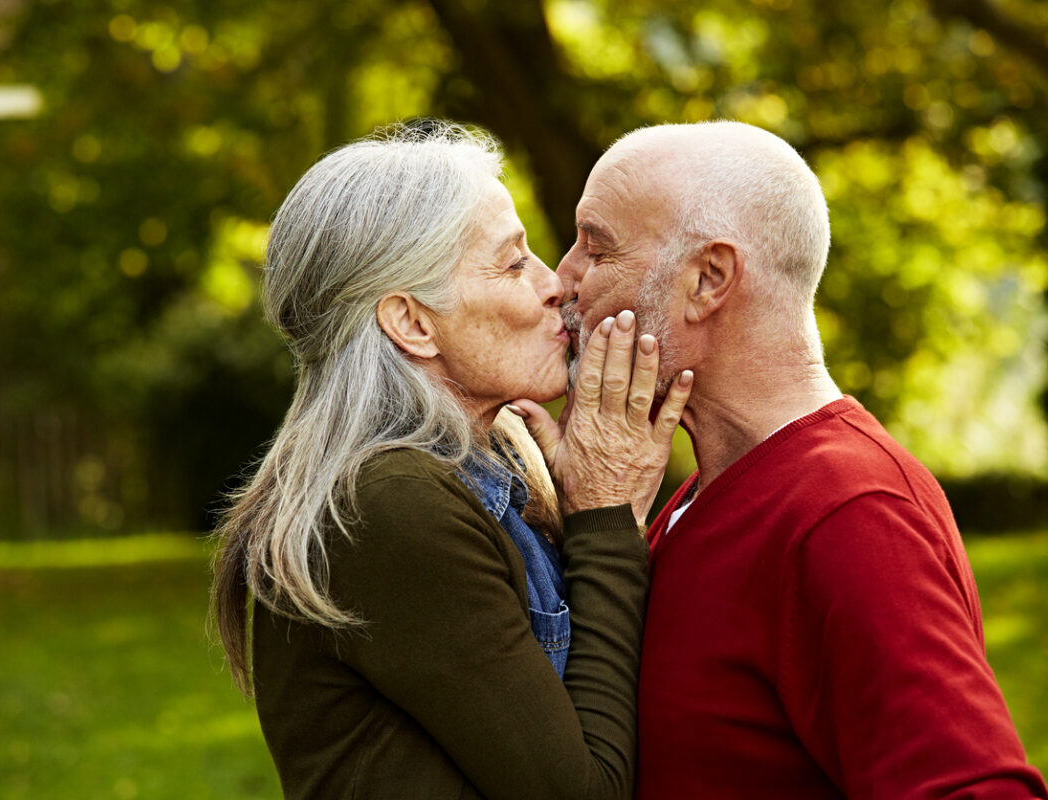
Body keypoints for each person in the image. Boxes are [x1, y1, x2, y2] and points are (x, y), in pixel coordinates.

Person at [520, 120, 1048, 798]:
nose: (561, 279)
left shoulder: (851, 512)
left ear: (708, 279)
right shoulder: (698, 496)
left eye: (596, 248)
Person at [210, 121, 692, 800]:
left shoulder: (495, 465)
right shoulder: (387, 506)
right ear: (412, 324)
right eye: (513, 263)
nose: (555, 284)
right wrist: (607, 513)